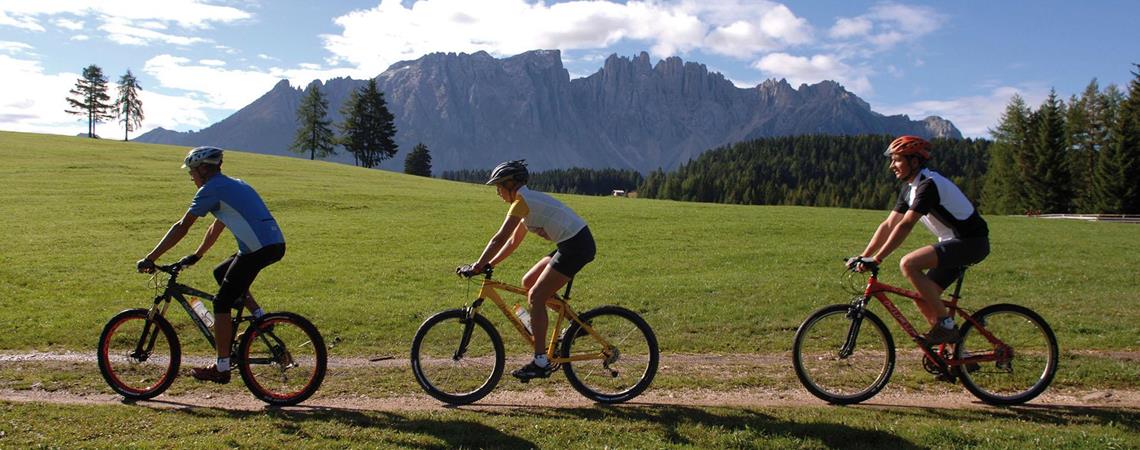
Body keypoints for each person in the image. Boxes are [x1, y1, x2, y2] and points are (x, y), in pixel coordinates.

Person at [137, 146, 286, 384]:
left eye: (193, 171)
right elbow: (218, 225)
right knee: (222, 273)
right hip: (271, 244)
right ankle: (260, 319)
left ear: (204, 169)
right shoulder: (233, 184)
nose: (191, 176)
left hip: (258, 249)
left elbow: (182, 227)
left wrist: (151, 258)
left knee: (220, 302)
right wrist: (197, 255)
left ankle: (222, 367)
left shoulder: (211, 189)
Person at [457, 160, 596, 381]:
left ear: (511, 184)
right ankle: (577, 325)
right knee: (529, 281)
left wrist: (477, 265)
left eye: (499, 187)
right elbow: (512, 241)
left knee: (536, 296)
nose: (497, 193)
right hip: (571, 244)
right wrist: (490, 264)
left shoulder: (522, 202)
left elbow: (499, 238)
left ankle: (540, 362)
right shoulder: (526, 202)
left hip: (576, 247)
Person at [849, 136, 989, 345]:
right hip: (953, 242)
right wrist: (864, 256)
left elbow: (905, 225)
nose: (892, 166)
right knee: (922, 299)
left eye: (897, 160)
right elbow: (888, 225)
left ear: (914, 161)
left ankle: (946, 325)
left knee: (909, 263)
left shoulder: (927, 185)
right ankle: (956, 355)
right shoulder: (910, 188)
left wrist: (877, 259)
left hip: (970, 242)